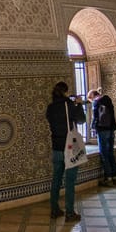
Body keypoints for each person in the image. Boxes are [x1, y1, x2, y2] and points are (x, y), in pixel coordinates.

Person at [45, 81, 86, 222]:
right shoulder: (69, 105)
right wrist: (79, 104)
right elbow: (81, 120)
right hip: (69, 147)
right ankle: (69, 213)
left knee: (56, 179)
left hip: (56, 147)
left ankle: (54, 209)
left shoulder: (50, 108)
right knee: (69, 181)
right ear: (65, 92)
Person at [88, 88, 116, 186]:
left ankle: (108, 178)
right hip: (111, 129)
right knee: (110, 152)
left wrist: (92, 127)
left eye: (90, 99)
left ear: (92, 96)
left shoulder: (96, 102)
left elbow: (95, 117)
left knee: (104, 153)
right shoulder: (107, 100)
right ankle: (114, 176)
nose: (91, 101)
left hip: (102, 130)